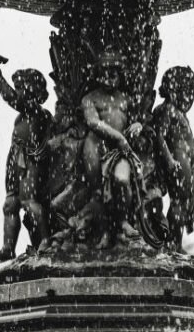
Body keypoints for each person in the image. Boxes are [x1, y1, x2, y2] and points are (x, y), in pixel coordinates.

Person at [0, 58, 53, 261]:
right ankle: (8, 248)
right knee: (10, 204)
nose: (17, 93)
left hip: (30, 161)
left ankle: (45, 241)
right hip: (15, 158)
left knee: (29, 201)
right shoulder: (24, 114)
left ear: (32, 92)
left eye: (20, 88)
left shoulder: (35, 111)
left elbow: (10, 98)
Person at [80, 50, 144, 246]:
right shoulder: (89, 98)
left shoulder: (126, 99)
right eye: (105, 73)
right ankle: (105, 230)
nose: (109, 77)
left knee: (121, 179)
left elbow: (137, 121)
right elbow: (93, 123)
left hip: (120, 149)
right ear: (98, 74)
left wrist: (137, 126)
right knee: (98, 190)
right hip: (96, 146)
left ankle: (123, 221)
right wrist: (119, 137)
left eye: (114, 73)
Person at [151, 66, 194, 251]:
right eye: (187, 92)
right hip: (177, 167)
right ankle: (172, 242)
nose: (190, 99)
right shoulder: (167, 110)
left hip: (185, 168)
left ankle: (176, 242)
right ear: (174, 91)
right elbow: (159, 136)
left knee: (182, 205)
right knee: (178, 204)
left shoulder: (179, 113)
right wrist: (169, 160)